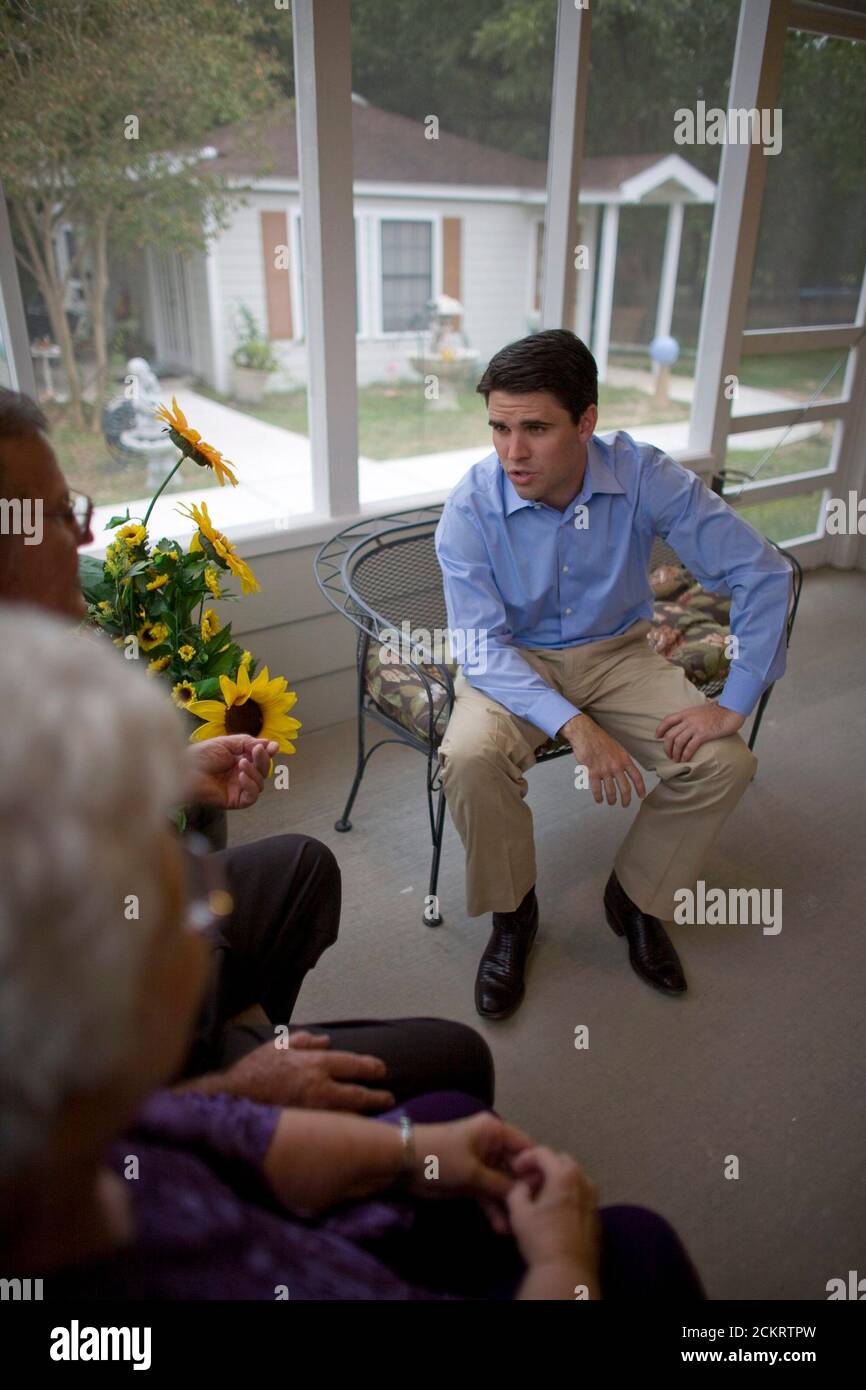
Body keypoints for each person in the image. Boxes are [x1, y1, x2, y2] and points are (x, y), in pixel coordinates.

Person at [0, 605, 705, 1301]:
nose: (206, 885)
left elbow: (156, 1136)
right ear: (127, 1013)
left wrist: (405, 1153)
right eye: (176, 881)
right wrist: (562, 1265)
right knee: (642, 1248)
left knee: (454, 1088)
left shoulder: (83, 1150)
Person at [0, 386, 493, 1107]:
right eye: (59, 513)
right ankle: (246, 1078)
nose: (84, 536)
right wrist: (230, 1099)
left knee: (303, 865)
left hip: (139, 958)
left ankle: (252, 1037)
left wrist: (171, 778)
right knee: (458, 1068)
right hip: (116, 1071)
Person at [435, 330, 792, 1019]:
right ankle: (513, 915)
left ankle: (635, 898)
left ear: (587, 421)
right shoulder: (471, 505)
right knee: (469, 756)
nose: (512, 451)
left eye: (535, 428)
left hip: (618, 652)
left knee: (725, 763)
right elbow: (479, 648)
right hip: (512, 659)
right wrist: (576, 727)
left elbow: (762, 571)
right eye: (500, 428)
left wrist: (736, 702)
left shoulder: (643, 475)